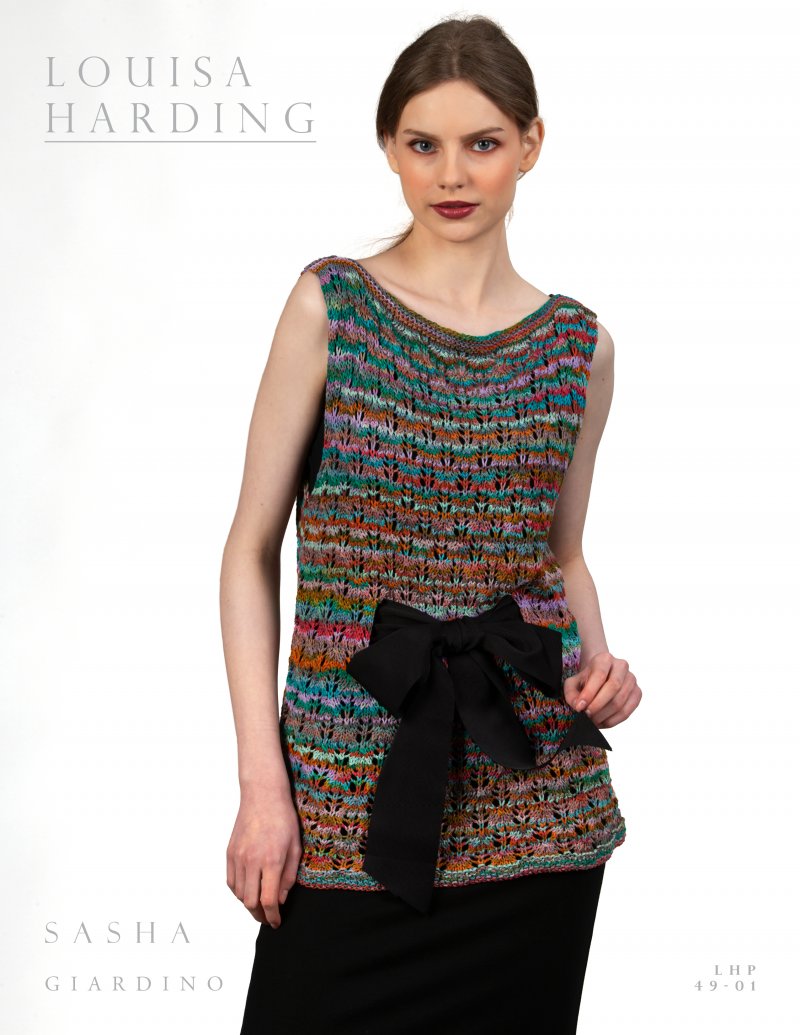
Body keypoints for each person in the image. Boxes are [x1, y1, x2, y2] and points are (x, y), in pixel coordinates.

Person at [221, 14, 642, 1035]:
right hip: (346, 793)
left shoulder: (577, 348)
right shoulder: (332, 307)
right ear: (389, 149)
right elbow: (248, 551)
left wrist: (601, 665)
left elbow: (562, 556)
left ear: (529, 145)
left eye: (481, 143)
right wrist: (264, 786)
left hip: (536, 809)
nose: (451, 174)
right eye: (423, 144)